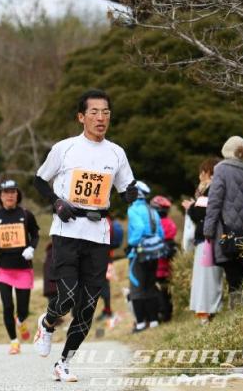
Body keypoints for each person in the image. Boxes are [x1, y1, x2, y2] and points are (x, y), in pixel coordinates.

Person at [33, 89, 138, 382]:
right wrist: (56, 202)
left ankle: (63, 362)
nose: (100, 118)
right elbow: (39, 180)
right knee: (65, 297)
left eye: (105, 112)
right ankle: (48, 322)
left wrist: (131, 194)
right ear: (81, 117)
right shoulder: (64, 148)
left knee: (88, 304)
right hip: (67, 231)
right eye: (94, 112)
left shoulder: (117, 153)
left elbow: (127, 188)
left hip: (99, 234)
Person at [0, 179, 40, 355]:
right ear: (0, 196)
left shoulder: (26, 215)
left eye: (13, 192)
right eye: (6, 192)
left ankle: (20, 321)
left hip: (23, 268)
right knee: (7, 306)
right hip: (4, 268)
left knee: (23, 310)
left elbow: (35, 234)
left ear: (17, 195)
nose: (10, 195)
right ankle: (14, 342)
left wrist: (31, 247)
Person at [203, 137, 243, 306]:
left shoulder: (221, 170)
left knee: (232, 276)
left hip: (226, 232)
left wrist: (208, 230)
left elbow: (214, 202)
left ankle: (237, 317)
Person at [182, 158, 223, 324]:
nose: (200, 176)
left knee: (207, 277)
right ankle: (206, 311)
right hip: (207, 239)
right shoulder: (208, 190)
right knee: (205, 277)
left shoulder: (213, 189)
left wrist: (191, 208)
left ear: (209, 172)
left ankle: (208, 311)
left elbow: (201, 214)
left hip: (209, 239)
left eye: (202, 172)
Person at [127, 181, 164, 333]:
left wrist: (132, 242)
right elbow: (160, 233)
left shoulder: (132, 210)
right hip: (155, 252)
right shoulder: (152, 210)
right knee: (150, 286)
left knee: (136, 288)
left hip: (138, 253)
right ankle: (154, 321)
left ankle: (141, 323)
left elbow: (139, 228)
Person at [151, 195, 177, 322]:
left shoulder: (156, 224)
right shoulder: (170, 223)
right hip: (168, 261)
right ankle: (169, 312)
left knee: (158, 288)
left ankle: (162, 313)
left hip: (157, 260)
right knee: (166, 288)